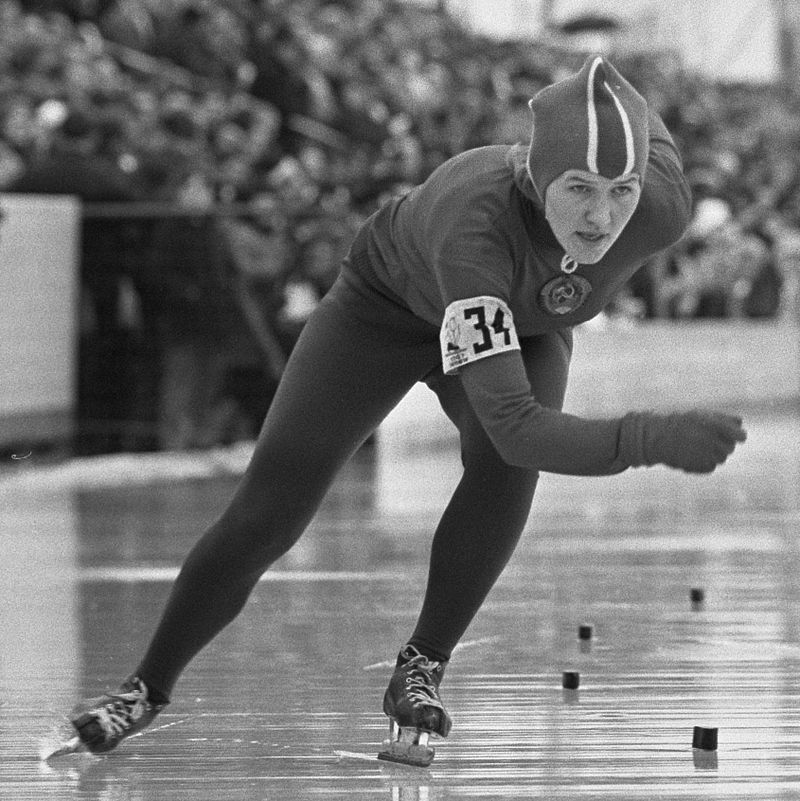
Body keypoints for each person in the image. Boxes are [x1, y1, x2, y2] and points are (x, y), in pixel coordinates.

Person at [65, 56, 746, 766]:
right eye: (578, 187)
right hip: (384, 310)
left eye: (621, 189)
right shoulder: (475, 226)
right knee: (273, 509)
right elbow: (517, 425)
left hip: (528, 325)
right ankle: (143, 689)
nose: (602, 216)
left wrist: (591, 81)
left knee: (503, 474)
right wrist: (647, 436)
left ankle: (421, 665)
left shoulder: (661, 205)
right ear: (539, 178)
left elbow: (620, 93)